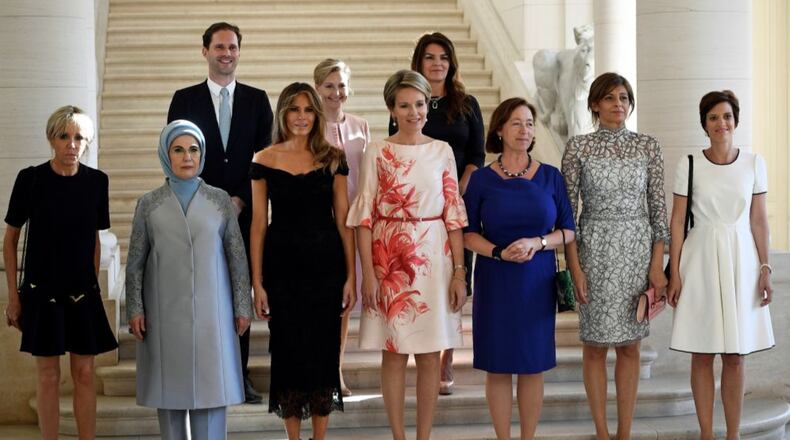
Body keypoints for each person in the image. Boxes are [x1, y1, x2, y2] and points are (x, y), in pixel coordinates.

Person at [348, 70, 468, 440]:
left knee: (432, 353)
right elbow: (364, 217)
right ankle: (399, 435)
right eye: (405, 105)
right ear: (392, 109)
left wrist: (460, 272)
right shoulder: (377, 151)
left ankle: (423, 436)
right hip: (390, 258)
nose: (414, 111)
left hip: (436, 256)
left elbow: (453, 214)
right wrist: (368, 274)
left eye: (419, 103)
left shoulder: (442, 150)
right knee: (394, 351)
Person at [125, 120, 252, 440]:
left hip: (213, 312)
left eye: (193, 150)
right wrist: (135, 308)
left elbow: (237, 257)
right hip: (163, 314)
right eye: (178, 149)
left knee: (211, 396)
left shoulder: (220, 200)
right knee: (168, 397)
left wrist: (242, 305)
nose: (187, 157)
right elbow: (135, 263)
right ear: (166, 155)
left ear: (202, 154)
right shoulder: (148, 204)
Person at [167, 21, 273, 404]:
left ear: (239, 52)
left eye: (232, 47)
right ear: (205, 51)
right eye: (219, 47)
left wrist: (242, 198)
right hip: (196, 214)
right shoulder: (184, 99)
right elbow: (176, 153)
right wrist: (208, 200)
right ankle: (203, 372)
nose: (226, 53)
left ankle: (238, 374)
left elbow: (265, 157)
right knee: (201, 293)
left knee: (238, 294)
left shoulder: (258, 100)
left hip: (245, 216)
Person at [561, 72, 670, 440]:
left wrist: (658, 266)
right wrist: (574, 268)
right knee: (594, 346)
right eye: (609, 98)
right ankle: (602, 433)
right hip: (594, 249)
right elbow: (567, 216)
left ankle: (624, 432)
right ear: (594, 104)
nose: (618, 104)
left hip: (637, 251)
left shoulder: (647, 146)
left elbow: (658, 211)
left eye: (623, 97)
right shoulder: (578, 148)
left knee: (629, 346)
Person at [3, 105, 117, 440]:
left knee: (84, 373)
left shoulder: (97, 182)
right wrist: (13, 296)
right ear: (51, 138)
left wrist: (93, 286)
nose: (72, 143)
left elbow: (95, 240)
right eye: (64, 136)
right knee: (48, 375)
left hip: (83, 292)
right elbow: (9, 241)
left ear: (88, 142)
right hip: (41, 291)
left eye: (79, 137)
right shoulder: (31, 179)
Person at [464, 97, 575, 440]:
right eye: (516, 123)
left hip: (536, 282)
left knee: (532, 364)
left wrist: (537, 243)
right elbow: (467, 234)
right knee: (497, 365)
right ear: (499, 129)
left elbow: (568, 230)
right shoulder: (481, 180)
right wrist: (498, 252)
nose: (524, 130)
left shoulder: (551, 176)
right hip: (495, 280)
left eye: (529, 123)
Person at [249, 82, 355, 440]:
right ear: (283, 113)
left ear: (317, 113)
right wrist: (257, 282)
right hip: (282, 270)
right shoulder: (263, 159)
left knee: (323, 352)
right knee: (288, 352)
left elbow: (344, 221)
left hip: (326, 268)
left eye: (308, 109)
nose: (302, 117)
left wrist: (351, 276)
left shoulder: (334, 157)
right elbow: (258, 225)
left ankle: (319, 437)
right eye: (294, 109)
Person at [667, 90, 774, 440]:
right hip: (699, 260)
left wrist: (765, 268)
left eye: (726, 116)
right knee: (702, 353)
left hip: (742, 259)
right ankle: (706, 434)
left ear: (735, 120)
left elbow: (759, 220)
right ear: (704, 124)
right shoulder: (689, 163)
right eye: (713, 117)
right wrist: (675, 274)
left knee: (736, 356)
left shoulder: (755, 163)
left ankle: (733, 435)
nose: (721, 123)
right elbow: (678, 220)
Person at [391, 32, 485, 394]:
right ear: (419, 61)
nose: (437, 63)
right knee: (418, 279)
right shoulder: (408, 101)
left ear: (451, 62)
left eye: (443, 57)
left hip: (457, 203)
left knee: (453, 276)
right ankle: (418, 347)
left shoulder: (467, 103)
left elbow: (477, 154)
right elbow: (397, 152)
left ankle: (445, 357)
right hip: (416, 209)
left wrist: (457, 187)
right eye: (430, 57)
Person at [313, 58, 371, 397]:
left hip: (352, 224)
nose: (337, 92)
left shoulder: (361, 125)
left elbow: (366, 176)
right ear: (318, 87)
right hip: (319, 224)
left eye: (342, 86)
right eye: (330, 86)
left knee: (344, 303)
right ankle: (319, 370)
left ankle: (336, 371)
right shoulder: (307, 126)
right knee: (321, 302)